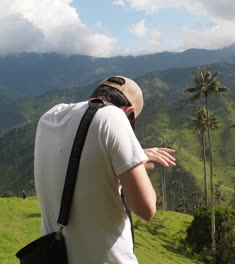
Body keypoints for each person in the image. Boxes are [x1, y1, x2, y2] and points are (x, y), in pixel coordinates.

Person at [34, 76, 176, 264]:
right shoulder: (114, 116)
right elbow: (146, 209)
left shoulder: (51, 116)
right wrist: (137, 165)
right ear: (129, 111)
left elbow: (79, 156)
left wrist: (131, 155)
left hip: (56, 256)